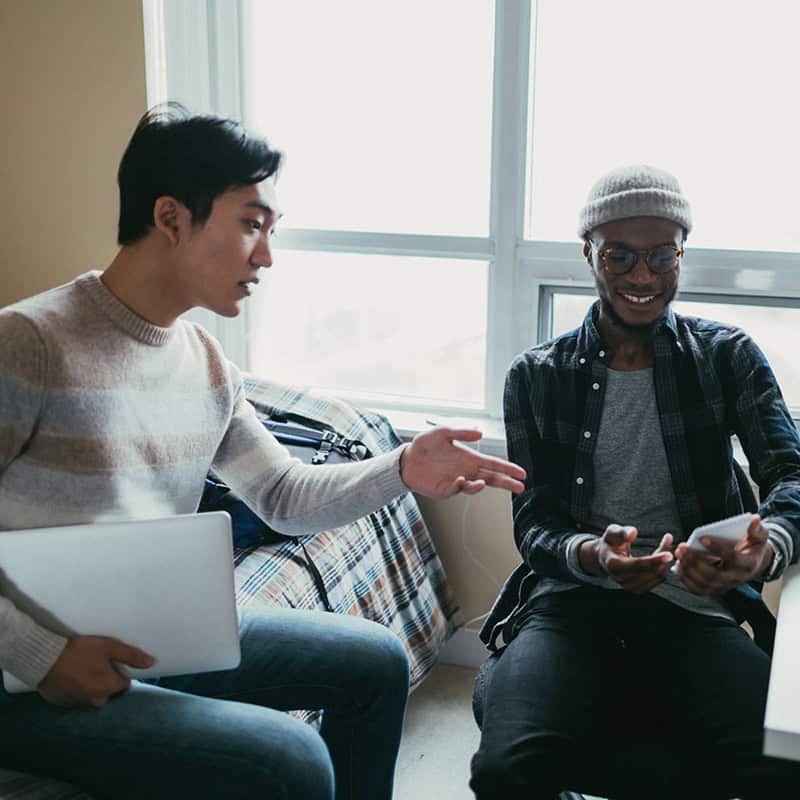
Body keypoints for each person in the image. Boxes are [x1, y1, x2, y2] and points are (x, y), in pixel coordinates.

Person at [0, 104, 526, 800]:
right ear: (170, 218)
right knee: (289, 758)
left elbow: (282, 496)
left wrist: (401, 468)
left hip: (146, 633)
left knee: (376, 660)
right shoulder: (29, 344)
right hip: (25, 677)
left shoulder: (206, 364)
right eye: (252, 223)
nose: (268, 256)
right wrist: (43, 656)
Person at [469, 165, 800, 799]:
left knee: (784, 758)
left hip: (694, 609)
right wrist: (589, 554)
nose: (642, 278)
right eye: (619, 256)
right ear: (588, 251)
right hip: (571, 606)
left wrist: (768, 545)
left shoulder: (727, 358)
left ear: (682, 254)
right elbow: (534, 523)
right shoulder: (537, 375)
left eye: (659, 256)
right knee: (506, 770)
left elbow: (792, 478)